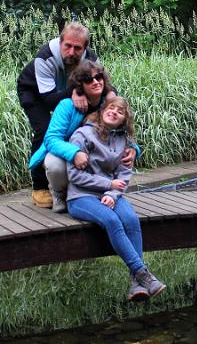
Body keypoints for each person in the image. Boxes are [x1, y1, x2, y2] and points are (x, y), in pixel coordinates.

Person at [66, 97, 166, 302]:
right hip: (80, 196)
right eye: (111, 108)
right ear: (102, 111)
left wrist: (112, 194)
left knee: (131, 220)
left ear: (124, 120)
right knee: (111, 221)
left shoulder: (124, 141)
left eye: (120, 112)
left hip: (111, 194)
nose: (114, 112)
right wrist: (107, 186)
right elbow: (74, 176)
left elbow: (124, 174)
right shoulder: (82, 135)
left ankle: (137, 284)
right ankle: (143, 274)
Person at [29, 60, 137, 212]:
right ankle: (60, 193)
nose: (95, 82)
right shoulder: (66, 105)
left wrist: (133, 149)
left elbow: (122, 130)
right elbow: (51, 139)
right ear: (80, 85)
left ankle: (105, 192)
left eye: (98, 77)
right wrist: (74, 153)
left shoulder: (107, 105)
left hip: (94, 155)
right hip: (67, 152)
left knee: (126, 156)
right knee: (55, 164)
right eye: (88, 79)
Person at [17, 22, 99, 208]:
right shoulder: (45, 57)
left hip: (66, 90)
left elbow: (102, 88)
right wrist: (76, 91)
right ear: (60, 42)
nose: (71, 52)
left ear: (85, 48)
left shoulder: (91, 60)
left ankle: (77, 181)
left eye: (77, 48)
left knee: (84, 124)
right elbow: (49, 101)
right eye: (67, 46)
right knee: (45, 129)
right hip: (35, 93)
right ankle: (39, 188)